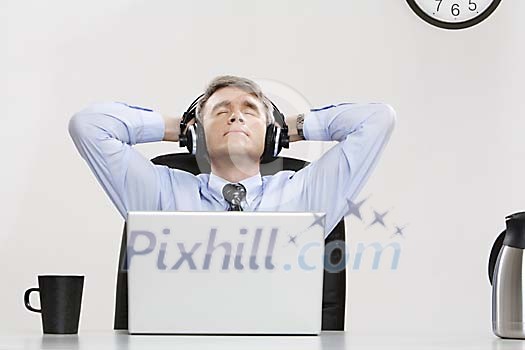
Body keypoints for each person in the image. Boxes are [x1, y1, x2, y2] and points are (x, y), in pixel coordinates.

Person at [68, 75, 396, 238]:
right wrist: (181, 127)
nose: (235, 117)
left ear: (271, 132)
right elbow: (90, 126)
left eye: (249, 111)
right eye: (220, 112)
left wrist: (289, 128)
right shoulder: (161, 192)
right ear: (197, 133)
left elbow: (376, 119)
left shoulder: (304, 194)